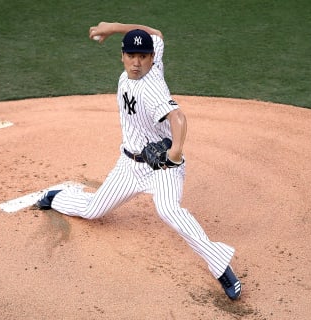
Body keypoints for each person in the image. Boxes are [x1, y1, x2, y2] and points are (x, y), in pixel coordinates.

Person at [35, 22, 242, 300]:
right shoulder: (143, 59)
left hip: (161, 168)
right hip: (129, 166)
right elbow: (156, 33)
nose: (137, 63)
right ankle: (57, 196)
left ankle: (220, 267)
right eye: (132, 56)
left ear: (151, 59)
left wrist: (175, 154)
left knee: (168, 209)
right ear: (122, 56)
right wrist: (112, 27)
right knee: (94, 209)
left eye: (143, 57)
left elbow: (178, 118)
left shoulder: (152, 87)